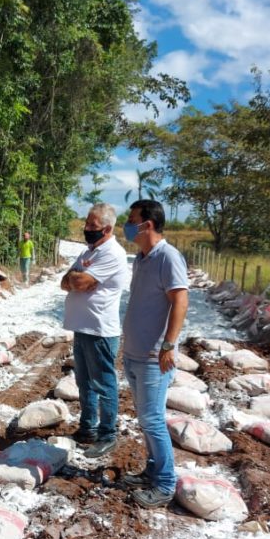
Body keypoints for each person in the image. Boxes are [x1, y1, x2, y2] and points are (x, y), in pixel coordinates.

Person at [121, 198, 189, 507]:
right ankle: (151, 470)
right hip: (134, 354)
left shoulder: (168, 257)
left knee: (153, 420)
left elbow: (180, 301)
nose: (128, 224)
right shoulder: (142, 258)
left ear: (147, 224)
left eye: (132, 219)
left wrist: (168, 345)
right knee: (145, 420)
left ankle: (164, 484)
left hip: (153, 357)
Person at [60, 203, 129, 458]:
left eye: (92, 226)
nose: (86, 229)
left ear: (107, 229)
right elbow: (66, 282)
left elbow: (78, 280)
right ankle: (87, 427)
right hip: (83, 326)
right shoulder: (89, 251)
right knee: (84, 382)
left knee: (103, 383)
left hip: (100, 329)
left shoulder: (112, 253)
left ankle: (108, 434)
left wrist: (77, 277)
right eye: (87, 224)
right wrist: (75, 277)